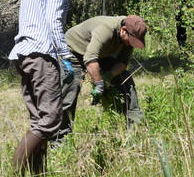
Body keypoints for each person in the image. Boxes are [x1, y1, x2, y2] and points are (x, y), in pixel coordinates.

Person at [8, 0, 80, 177]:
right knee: (50, 120)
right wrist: (65, 57)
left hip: (23, 55)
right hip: (42, 56)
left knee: (39, 121)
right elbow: (53, 23)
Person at [51, 15, 148, 145]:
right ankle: (59, 143)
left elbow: (122, 63)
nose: (131, 45)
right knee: (70, 93)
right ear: (123, 30)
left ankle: (136, 131)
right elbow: (90, 59)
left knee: (126, 81)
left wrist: (109, 76)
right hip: (74, 51)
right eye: (131, 41)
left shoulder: (130, 34)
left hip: (101, 54)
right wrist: (99, 85)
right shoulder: (106, 30)